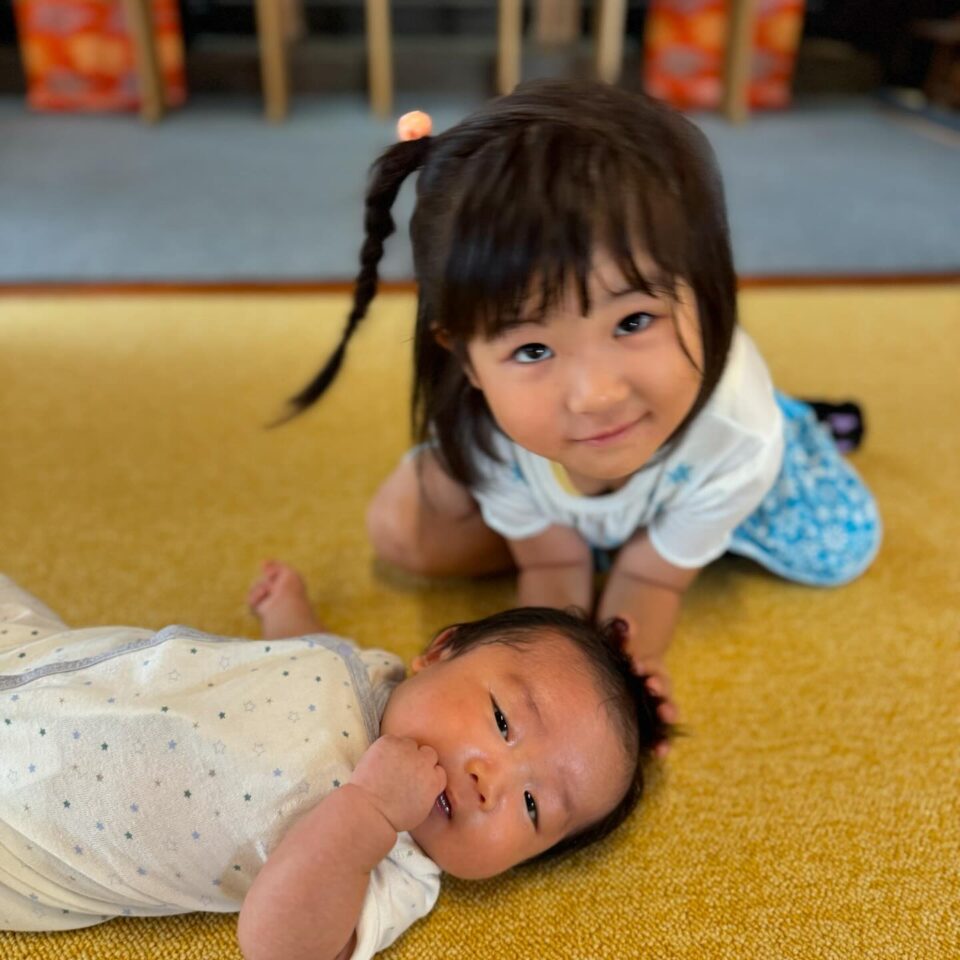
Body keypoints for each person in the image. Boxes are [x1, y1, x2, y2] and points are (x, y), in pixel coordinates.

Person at [280, 79, 881, 712]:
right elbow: (551, 567)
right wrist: (550, 683)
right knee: (402, 530)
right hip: (578, 484)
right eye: (533, 350)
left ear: (706, 290)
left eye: (633, 321)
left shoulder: (738, 432)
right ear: (467, 360)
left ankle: (800, 423)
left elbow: (651, 578)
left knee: (839, 549)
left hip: (706, 449)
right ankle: (612, 516)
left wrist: (622, 681)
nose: (595, 396)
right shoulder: (489, 432)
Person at [0, 564, 669, 960]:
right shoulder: (369, 672)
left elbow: (279, 943)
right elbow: (307, 649)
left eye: (532, 807)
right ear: (439, 653)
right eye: (500, 720)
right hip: (48, 662)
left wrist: (368, 815)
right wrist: (287, 609)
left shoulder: (396, 871)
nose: (490, 781)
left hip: (28, 837)